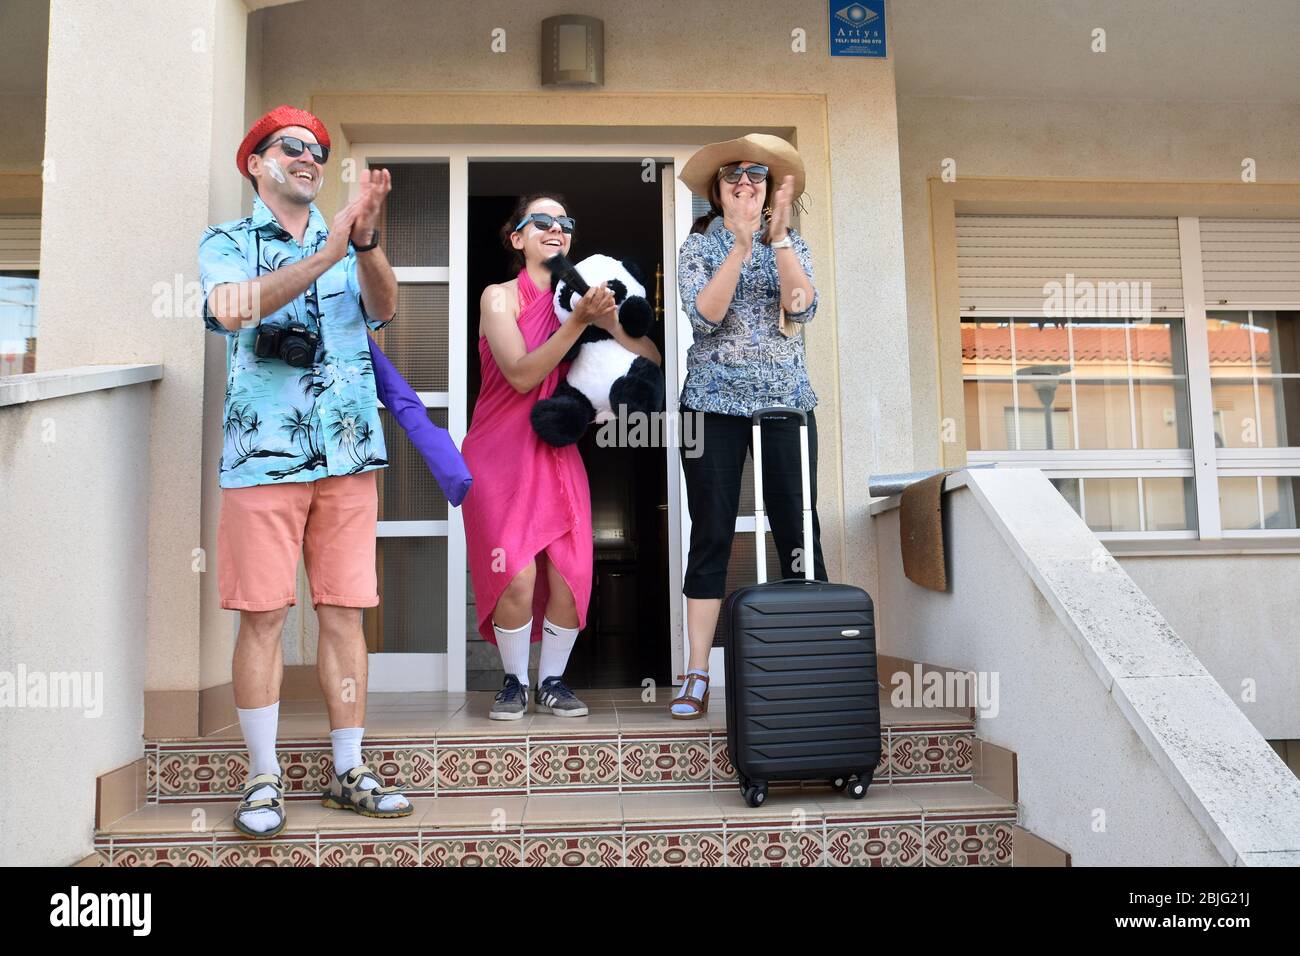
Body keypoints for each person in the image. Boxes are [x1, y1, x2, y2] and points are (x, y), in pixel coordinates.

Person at [198, 105, 411, 837]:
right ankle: (263, 777)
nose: (309, 156)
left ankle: (348, 769)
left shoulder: (349, 244)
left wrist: (369, 243)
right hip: (261, 459)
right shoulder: (226, 242)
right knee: (262, 618)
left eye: (319, 149)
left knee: (345, 613)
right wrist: (325, 255)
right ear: (255, 162)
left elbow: (383, 309)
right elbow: (230, 312)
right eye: (291, 146)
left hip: (348, 456)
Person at [463, 194, 661, 719]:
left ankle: (551, 680)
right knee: (517, 573)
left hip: (554, 451)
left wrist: (611, 320)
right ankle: (513, 680)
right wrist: (577, 323)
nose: (556, 228)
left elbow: (651, 359)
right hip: (498, 451)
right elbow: (523, 374)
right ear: (518, 238)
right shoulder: (497, 297)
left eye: (564, 222)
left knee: (572, 574)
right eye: (542, 221)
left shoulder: (583, 295)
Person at [670, 134, 829, 719]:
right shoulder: (698, 249)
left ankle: (810, 663)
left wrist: (778, 241)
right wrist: (737, 246)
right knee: (711, 530)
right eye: (733, 175)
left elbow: (802, 305)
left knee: (797, 527)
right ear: (716, 191)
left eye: (757, 175)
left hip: (787, 401)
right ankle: (695, 674)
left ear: (768, 191)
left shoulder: (794, 244)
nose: (745, 182)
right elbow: (706, 318)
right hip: (712, 403)